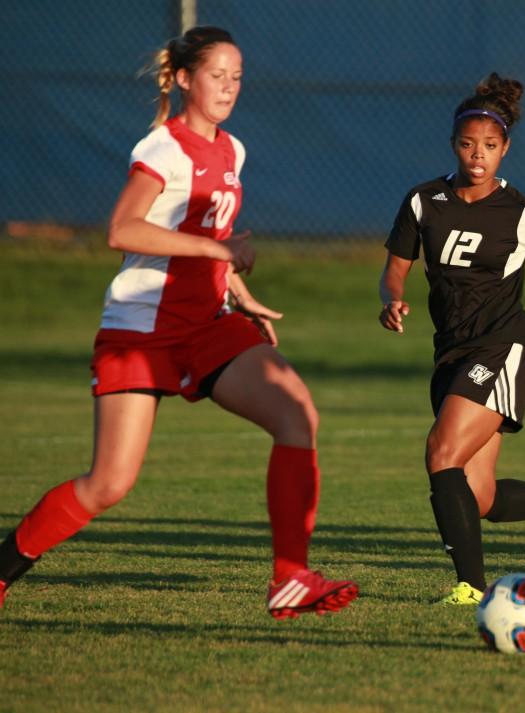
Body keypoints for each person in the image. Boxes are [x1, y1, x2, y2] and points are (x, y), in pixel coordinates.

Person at [0, 26, 357, 619]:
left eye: (237, 76)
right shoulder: (163, 149)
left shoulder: (232, 149)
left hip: (208, 324)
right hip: (142, 329)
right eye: (217, 75)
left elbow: (205, 237)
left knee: (296, 414)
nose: (229, 87)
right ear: (185, 78)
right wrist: (221, 256)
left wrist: (236, 290)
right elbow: (123, 230)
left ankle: (290, 577)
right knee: (108, 484)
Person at [379, 73, 525, 604]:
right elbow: (395, 268)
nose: (477, 156)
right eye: (467, 145)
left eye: (489, 146)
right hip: (452, 352)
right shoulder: (424, 202)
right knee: (481, 496)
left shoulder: (522, 213)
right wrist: (391, 297)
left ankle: (470, 588)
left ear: (506, 148)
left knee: (441, 453)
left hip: (503, 347)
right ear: (453, 145)